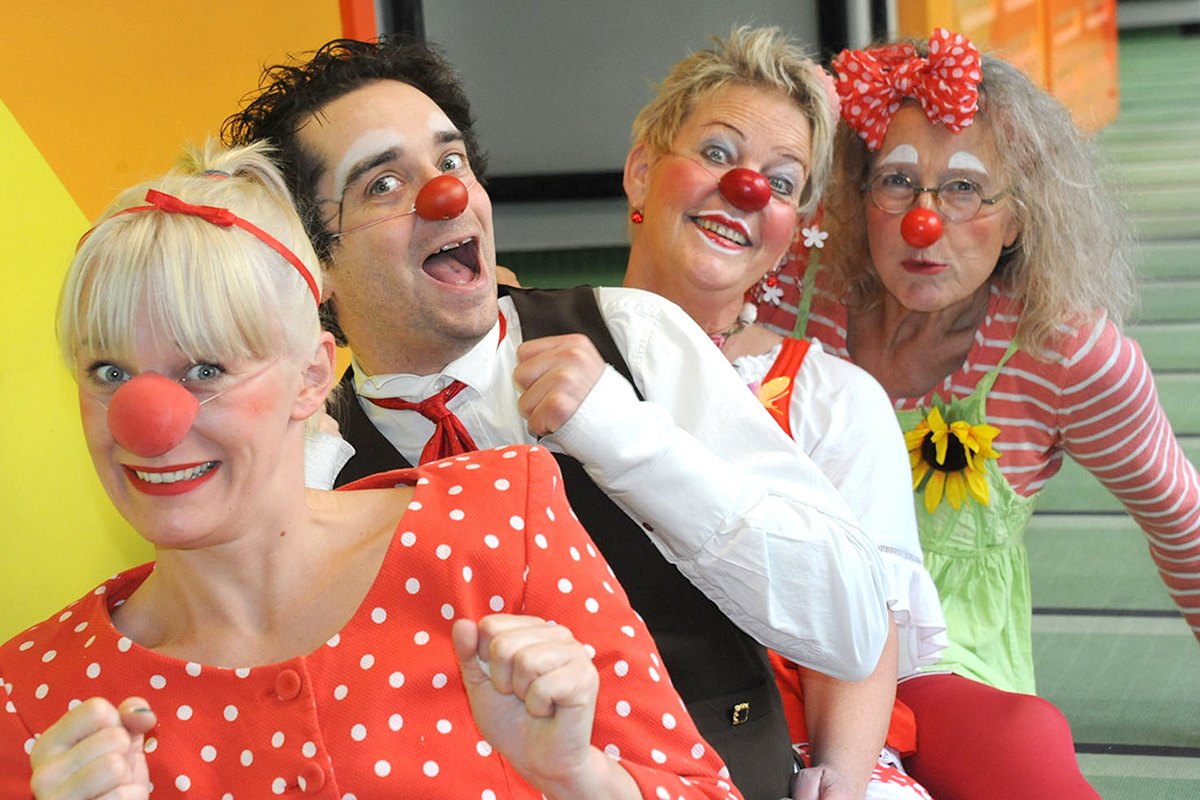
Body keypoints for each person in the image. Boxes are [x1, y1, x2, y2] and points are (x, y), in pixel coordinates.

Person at [222, 36, 891, 800]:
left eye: (450, 163)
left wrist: (634, 444)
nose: (446, 196)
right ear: (315, 262)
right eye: (382, 184)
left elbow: (851, 623)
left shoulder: (632, 334)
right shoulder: (315, 460)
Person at [0, 141, 743, 800]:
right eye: (106, 370)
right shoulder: (35, 694)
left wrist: (582, 780)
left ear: (312, 377)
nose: (147, 418)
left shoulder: (497, 528)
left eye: (204, 367)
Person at [752, 27, 1199, 798]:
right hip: (772, 646)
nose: (926, 222)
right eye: (896, 181)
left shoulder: (1065, 354)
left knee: (1021, 751)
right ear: (859, 197)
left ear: (1019, 218)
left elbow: (1178, 516)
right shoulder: (794, 298)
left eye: (964, 189)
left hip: (941, 677)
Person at [619, 26, 941, 800]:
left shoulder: (835, 401)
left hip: (782, 757)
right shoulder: (540, 350)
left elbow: (862, 638)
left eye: (782, 181)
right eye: (720, 154)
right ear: (640, 174)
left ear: (790, 228)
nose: (747, 189)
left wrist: (838, 781)